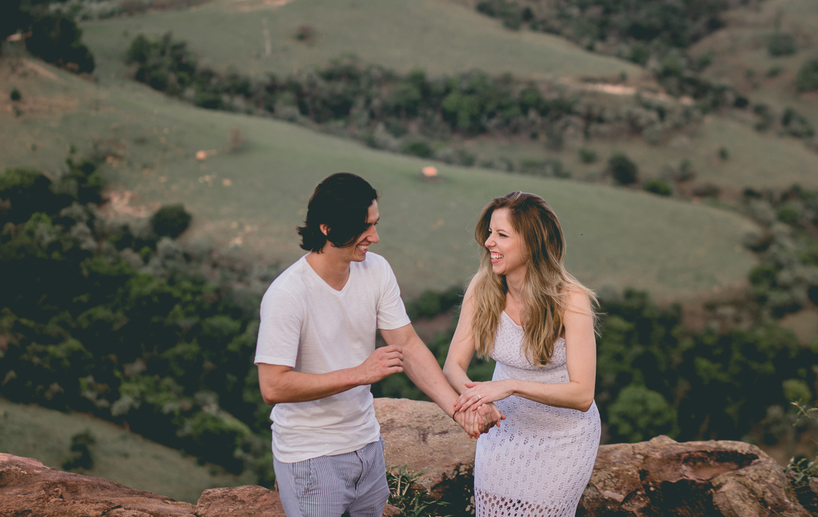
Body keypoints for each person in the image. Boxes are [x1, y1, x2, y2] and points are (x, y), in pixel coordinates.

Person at [255, 172, 501, 517]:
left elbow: (408, 346)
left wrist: (458, 409)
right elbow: (273, 386)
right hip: (311, 457)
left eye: (374, 223)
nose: (375, 236)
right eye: (364, 227)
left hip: (367, 447)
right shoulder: (287, 294)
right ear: (327, 228)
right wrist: (358, 374)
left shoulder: (377, 271)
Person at [443, 191, 601, 517]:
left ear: (531, 244)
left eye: (501, 235)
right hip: (503, 432)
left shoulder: (571, 300)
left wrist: (511, 385)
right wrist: (477, 399)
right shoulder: (482, 287)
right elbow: (453, 366)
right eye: (489, 232)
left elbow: (583, 394)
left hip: (563, 439)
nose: (489, 242)